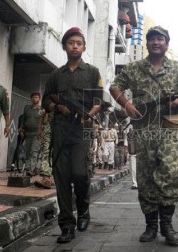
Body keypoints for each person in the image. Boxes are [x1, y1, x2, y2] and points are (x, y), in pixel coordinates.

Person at [110, 26, 178, 246]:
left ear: (167, 43)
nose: (156, 42)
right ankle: (151, 226)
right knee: (146, 177)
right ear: (147, 44)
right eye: (152, 39)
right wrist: (126, 104)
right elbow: (115, 86)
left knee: (170, 174)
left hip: (169, 129)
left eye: (161, 39)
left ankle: (167, 225)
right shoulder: (135, 68)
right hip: (144, 129)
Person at [42, 27, 103, 244]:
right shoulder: (56, 75)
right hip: (61, 129)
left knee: (79, 173)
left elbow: (98, 103)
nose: (75, 46)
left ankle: (84, 210)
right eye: (70, 43)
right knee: (62, 178)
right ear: (65, 46)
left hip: (82, 129)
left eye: (78, 43)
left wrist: (89, 116)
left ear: (84, 47)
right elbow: (46, 102)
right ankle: (66, 225)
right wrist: (59, 108)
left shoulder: (93, 72)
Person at [19, 92, 43, 176]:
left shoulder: (41, 110)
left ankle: (32, 169)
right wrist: (21, 128)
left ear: (39, 99)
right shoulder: (27, 108)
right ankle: (29, 168)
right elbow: (23, 119)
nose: (35, 99)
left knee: (34, 151)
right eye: (33, 97)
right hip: (28, 133)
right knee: (27, 151)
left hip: (37, 134)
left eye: (36, 97)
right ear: (31, 98)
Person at [34, 111, 55, 189]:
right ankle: (46, 178)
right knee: (46, 153)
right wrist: (39, 129)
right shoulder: (48, 101)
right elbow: (42, 116)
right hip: (48, 131)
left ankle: (52, 178)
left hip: (61, 131)